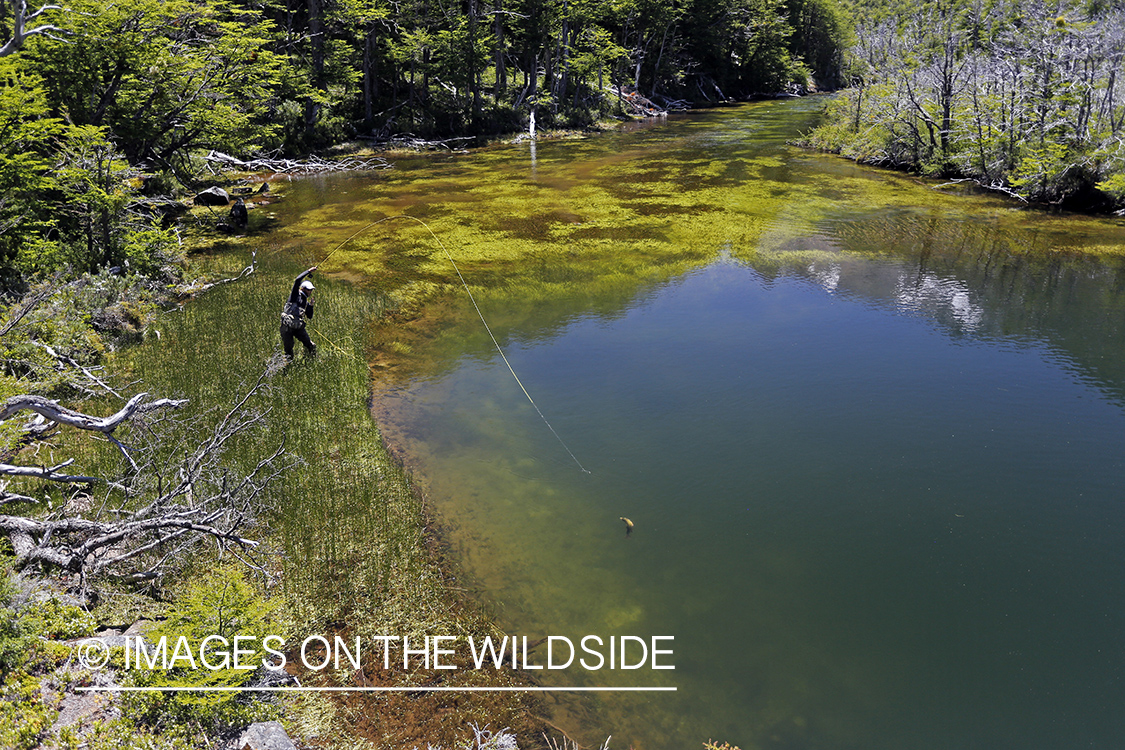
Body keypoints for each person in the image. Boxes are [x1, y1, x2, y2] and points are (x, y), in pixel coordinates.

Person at [280, 266, 318, 359]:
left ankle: (311, 361)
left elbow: (309, 316)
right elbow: (297, 280)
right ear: (303, 289)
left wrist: (311, 306)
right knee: (289, 351)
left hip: (298, 328)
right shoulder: (295, 295)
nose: (310, 291)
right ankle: (287, 367)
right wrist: (308, 271)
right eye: (309, 289)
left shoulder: (306, 302)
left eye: (311, 290)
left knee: (311, 346)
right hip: (287, 327)